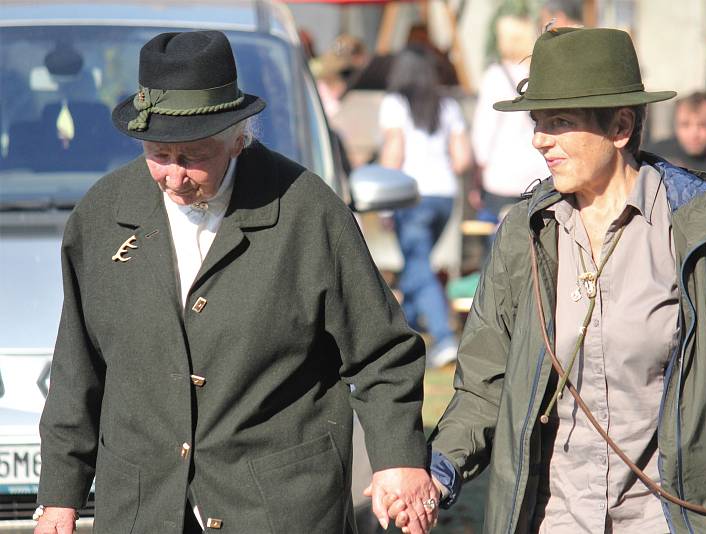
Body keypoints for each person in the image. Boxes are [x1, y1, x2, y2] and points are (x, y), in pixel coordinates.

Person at [385, 27, 706, 534]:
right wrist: (439, 470)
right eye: (538, 122)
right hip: (553, 519)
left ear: (621, 126)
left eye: (559, 122)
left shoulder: (700, 226)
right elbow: (484, 385)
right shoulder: (524, 235)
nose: (540, 139)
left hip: (672, 519)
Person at [33, 30, 439, 534]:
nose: (174, 176)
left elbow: (381, 352)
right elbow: (78, 368)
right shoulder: (100, 218)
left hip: (279, 506)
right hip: (143, 506)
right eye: (159, 154)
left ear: (239, 135)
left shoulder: (306, 212)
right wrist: (59, 497)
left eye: (194, 156)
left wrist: (398, 458)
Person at [379, 46, 471, 369]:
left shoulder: (394, 104)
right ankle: (404, 332)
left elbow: (393, 153)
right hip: (444, 196)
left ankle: (444, 339)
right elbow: (462, 160)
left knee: (418, 266)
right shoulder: (447, 105)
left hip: (410, 195)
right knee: (417, 266)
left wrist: (385, 207)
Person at [470, 12, 550, 221]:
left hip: (502, 175)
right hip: (539, 172)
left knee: (501, 241)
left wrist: (478, 171)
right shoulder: (542, 73)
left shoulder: (495, 76)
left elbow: (483, 131)